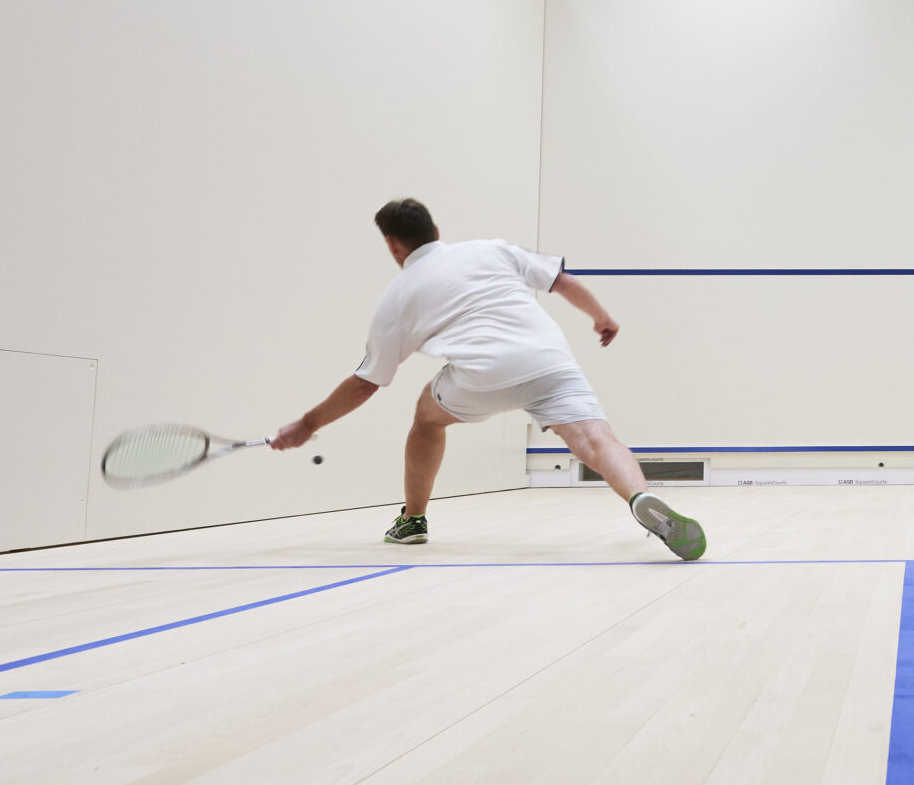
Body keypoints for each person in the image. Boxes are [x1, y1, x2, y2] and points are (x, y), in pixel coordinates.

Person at [272, 198, 706, 560]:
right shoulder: (490, 249)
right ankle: (638, 497)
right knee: (597, 440)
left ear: (392, 245)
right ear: (436, 229)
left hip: (481, 378)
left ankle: (413, 519)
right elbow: (563, 282)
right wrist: (602, 318)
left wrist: (307, 424)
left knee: (427, 416)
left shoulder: (396, 298)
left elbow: (365, 383)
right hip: (551, 361)